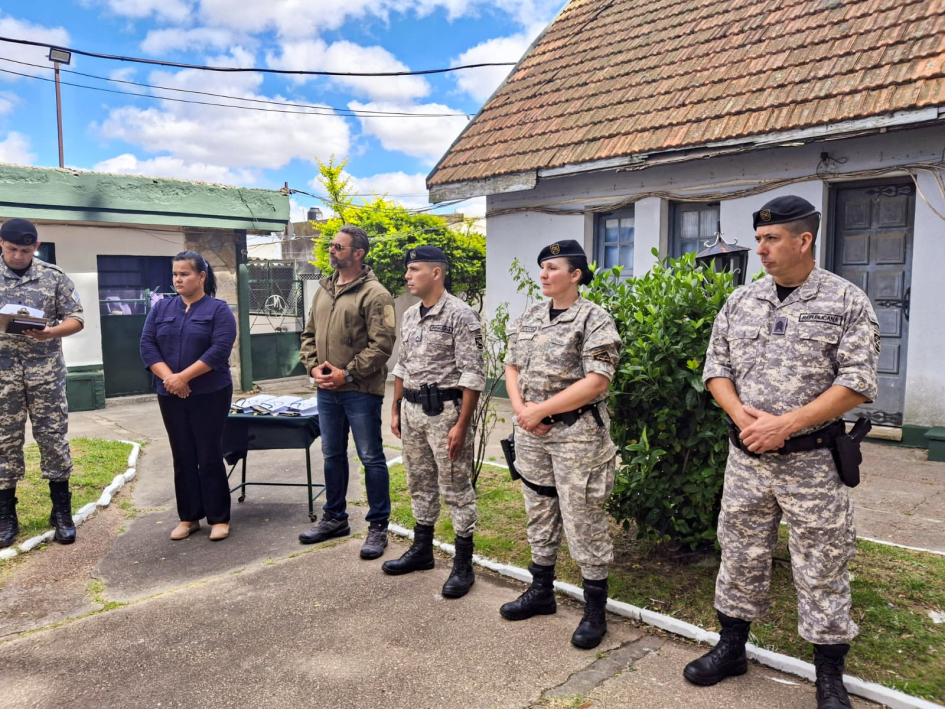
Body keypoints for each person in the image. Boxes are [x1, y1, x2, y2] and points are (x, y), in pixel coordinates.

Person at [682, 196, 880, 709]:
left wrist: (787, 424)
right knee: (740, 553)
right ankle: (731, 648)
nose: (761, 249)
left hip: (812, 461)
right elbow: (715, 369)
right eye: (759, 238)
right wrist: (741, 415)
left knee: (822, 562)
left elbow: (857, 384)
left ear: (803, 240)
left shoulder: (846, 301)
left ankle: (829, 675)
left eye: (771, 239)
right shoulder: (741, 301)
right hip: (748, 458)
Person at [499, 240, 622, 649]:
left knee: (583, 518)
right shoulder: (530, 316)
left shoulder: (595, 319)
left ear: (576, 274)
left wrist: (541, 410)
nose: (544, 274)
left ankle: (594, 609)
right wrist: (522, 411)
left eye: (553, 267)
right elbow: (511, 365)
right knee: (539, 510)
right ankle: (542, 591)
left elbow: (597, 380)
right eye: (542, 267)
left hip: (577, 436)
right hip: (532, 435)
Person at [384, 245, 485, 598]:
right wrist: (395, 407)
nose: (408, 276)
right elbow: (403, 365)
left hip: (446, 414)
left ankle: (463, 564)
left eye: (414, 269)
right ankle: (423, 550)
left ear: (436, 273)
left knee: (456, 487)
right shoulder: (410, 315)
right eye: (408, 270)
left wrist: (462, 424)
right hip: (411, 411)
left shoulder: (461, 314)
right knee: (419, 481)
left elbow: (473, 374)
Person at [298, 226, 396, 560]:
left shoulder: (376, 294)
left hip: (360, 391)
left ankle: (378, 526)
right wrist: (313, 367)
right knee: (332, 455)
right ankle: (335, 517)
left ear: (358, 253)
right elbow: (308, 334)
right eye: (331, 245)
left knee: (370, 457)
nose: (331, 250)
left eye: (338, 246)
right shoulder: (323, 290)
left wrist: (348, 373)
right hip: (327, 390)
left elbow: (382, 345)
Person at [140, 251, 237, 542]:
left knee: (208, 453)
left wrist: (184, 377)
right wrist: (171, 379)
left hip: (210, 392)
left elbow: (219, 350)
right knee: (182, 454)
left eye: (184, 274)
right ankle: (189, 517)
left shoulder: (219, 310)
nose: (178, 279)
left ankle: (219, 518)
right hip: (169, 393)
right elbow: (147, 345)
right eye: (175, 274)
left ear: (201, 276)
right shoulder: (161, 309)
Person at [0, 218, 84, 548]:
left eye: (25, 249)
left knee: (52, 438)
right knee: (4, 441)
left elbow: (76, 319)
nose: (19, 256)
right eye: (11, 249)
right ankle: (6, 516)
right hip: (3, 375)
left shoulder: (54, 277)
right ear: (1, 245)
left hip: (45, 373)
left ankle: (61, 512)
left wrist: (50, 332)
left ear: (35, 246)